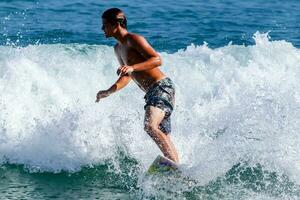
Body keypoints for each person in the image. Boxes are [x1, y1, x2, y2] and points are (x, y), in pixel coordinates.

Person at [96, 8, 179, 163]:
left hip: (161, 87)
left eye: (105, 25)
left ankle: (176, 168)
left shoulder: (133, 39)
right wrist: (108, 91)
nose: (102, 29)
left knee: (150, 125)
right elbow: (127, 76)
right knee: (161, 133)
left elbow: (157, 59)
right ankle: (176, 166)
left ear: (116, 24)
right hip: (152, 93)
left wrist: (133, 67)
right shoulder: (117, 48)